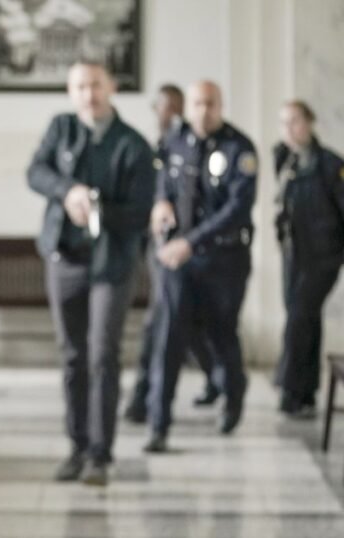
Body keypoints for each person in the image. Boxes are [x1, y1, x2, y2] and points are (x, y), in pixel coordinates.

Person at [27, 60, 155, 486]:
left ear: (111, 87)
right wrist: (69, 192)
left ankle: (100, 454)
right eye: (80, 86)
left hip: (111, 265)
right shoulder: (60, 128)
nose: (89, 94)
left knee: (102, 355)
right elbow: (36, 173)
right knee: (72, 356)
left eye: (96, 85)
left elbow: (140, 213)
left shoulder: (134, 145)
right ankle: (77, 447)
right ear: (71, 91)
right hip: (64, 259)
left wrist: (98, 207)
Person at [145, 80, 256, 453]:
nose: (203, 111)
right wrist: (161, 202)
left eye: (210, 103)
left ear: (220, 105)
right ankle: (158, 425)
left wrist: (190, 242)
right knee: (168, 338)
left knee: (222, 333)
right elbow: (163, 180)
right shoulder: (175, 141)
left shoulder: (240, 148)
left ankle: (233, 394)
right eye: (197, 104)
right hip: (178, 259)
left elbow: (236, 209)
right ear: (187, 107)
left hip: (223, 259)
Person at [124, 84, 219, 424]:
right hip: (160, 247)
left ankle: (212, 377)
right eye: (168, 107)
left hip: (192, 245)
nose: (174, 114)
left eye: (179, 107)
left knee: (179, 320)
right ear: (157, 110)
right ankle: (144, 399)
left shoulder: (193, 146)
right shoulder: (153, 149)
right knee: (163, 319)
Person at [273, 99, 344, 419]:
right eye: (284, 123)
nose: (289, 129)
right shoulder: (284, 159)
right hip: (293, 255)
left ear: (310, 122)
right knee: (307, 320)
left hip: (323, 257)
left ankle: (288, 389)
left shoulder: (330, 164)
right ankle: (307, 392)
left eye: (295, 121)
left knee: (298, 317)